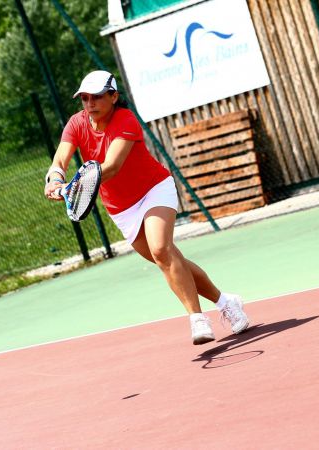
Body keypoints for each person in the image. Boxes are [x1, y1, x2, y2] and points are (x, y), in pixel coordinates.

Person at [44, 70, 249, 345]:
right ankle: (226, 302)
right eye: (85, 98)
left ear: (113, 97)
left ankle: (197, 319)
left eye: (97, 97)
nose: (89, 103)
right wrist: (55, 179)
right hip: (121, 208)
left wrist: (75, 186)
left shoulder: (125, 120)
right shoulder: (76, 123)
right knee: (168, 260)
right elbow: (60, 159)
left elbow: (112, 166)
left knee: (161, 249)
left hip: (154, 190)